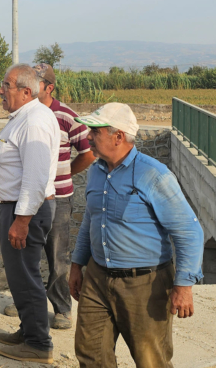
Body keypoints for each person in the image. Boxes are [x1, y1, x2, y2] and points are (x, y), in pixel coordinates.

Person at [69, 103, 204, 368]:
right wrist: (77, 265)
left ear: (118, 136)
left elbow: (189, 231)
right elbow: (91, 220)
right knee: (90, 353)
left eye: (95, 132)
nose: (88, 138)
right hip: (97, 279)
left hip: (145, 283)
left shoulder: (153, 174)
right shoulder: (96, 171)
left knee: (150, 360)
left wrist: (184, 285)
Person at [3, 63, 95, 330]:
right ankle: (29, 304)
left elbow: (87, 153)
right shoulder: (23, 113)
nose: (30, 84)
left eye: (36, 81)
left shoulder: (65, 115)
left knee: (57, 255)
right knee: (25, 254)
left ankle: (62, 309)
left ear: (48, 87)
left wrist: (62, 175)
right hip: (27, 198)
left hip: (58, 199)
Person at [0, 63, 60, 364]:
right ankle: (29, 331)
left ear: (26, 91)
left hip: (24, 211)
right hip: (17, 209)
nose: (0, 91)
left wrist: (22, 220)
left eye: (6, 85)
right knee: (19, 275)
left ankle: (39, 344)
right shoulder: (24, 117)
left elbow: (35, 176)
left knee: (27, 276)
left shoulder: (35, 121)